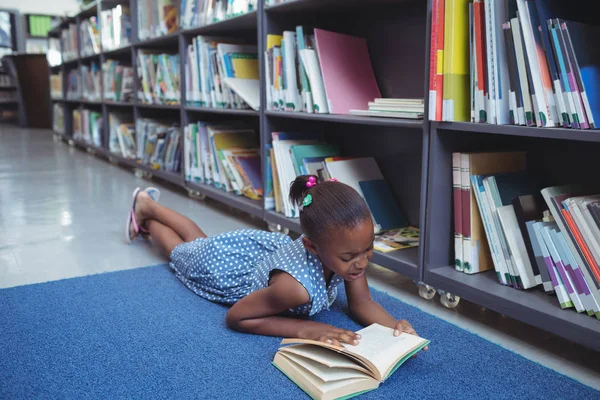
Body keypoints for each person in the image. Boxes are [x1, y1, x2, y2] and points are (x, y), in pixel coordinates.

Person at [126, 176, 426, 348]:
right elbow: (237, 317)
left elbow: (361, 303)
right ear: (312, 247)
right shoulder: (294, 289)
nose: (361, 263)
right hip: (227, 271)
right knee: (182, 252)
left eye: (368, 249)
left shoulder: (348, 255)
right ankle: (148, 215)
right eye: (349, 257)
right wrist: (304, 330)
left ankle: (149, 207)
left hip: (259, 256)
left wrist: (394, 327)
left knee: (201, 243)